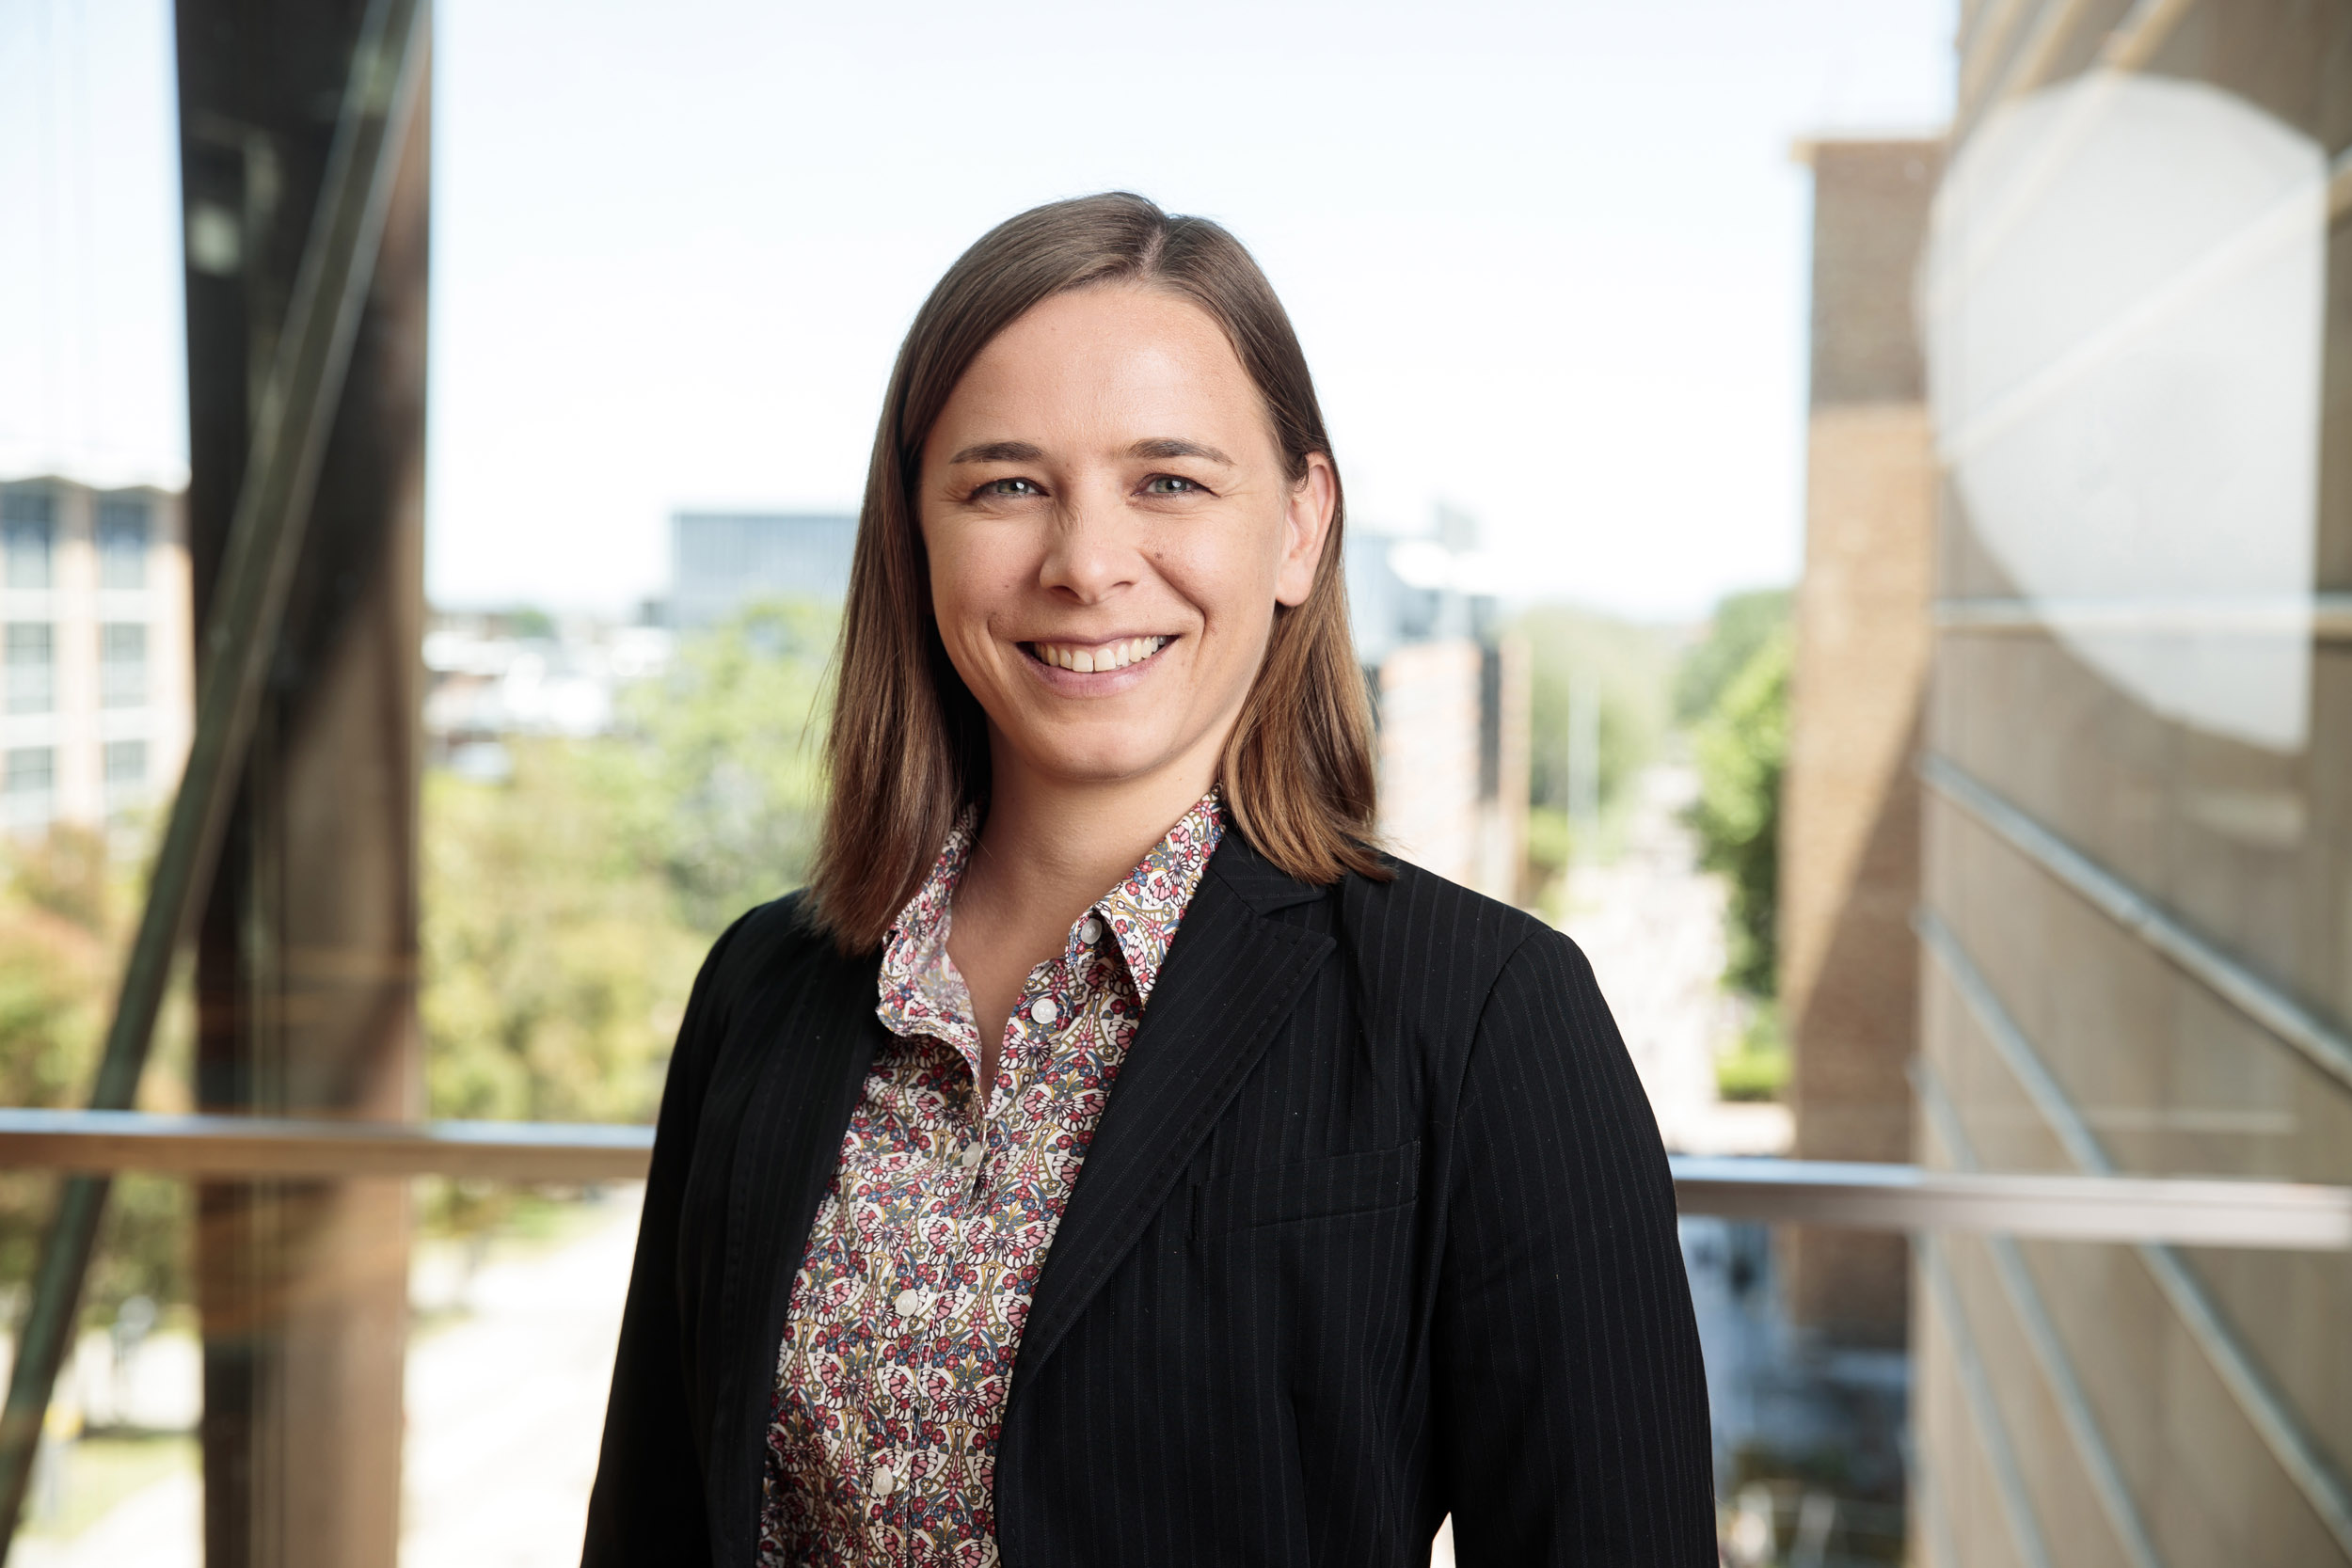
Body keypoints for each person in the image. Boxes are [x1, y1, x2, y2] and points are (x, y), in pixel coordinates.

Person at [582, 192, 1715, 1567]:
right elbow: (649, 1520)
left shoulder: (1485, 1016)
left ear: (1301, 527)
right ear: (915, 531)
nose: (1088, 564)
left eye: (1169, 481)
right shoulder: (766, 988)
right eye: (1007, 485)